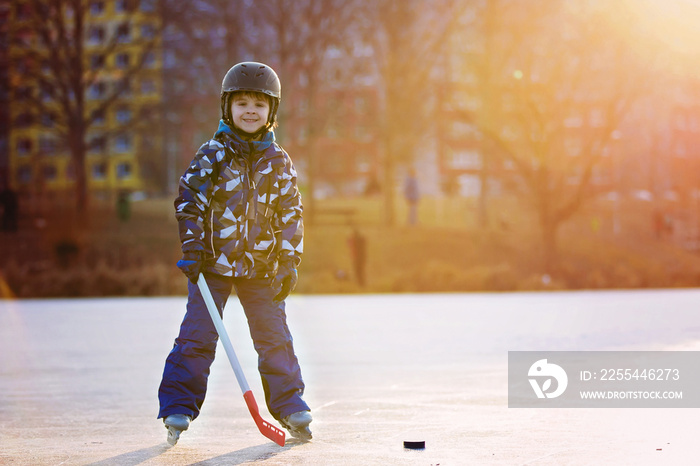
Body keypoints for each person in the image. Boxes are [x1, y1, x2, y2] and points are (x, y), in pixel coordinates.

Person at [158, 62, 311, 445]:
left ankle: (290, 404)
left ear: (271, 112)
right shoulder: (212, 153)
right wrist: (193, 246)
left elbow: (292, 211)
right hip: (213, 265)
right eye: (241, 102)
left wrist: (289, 259)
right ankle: (178, 404)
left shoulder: (278, 160)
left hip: (262, 266)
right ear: (227, 107)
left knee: (274, 336)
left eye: (259, 105)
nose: (249, 111)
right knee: (198, 335)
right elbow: (189, 201)